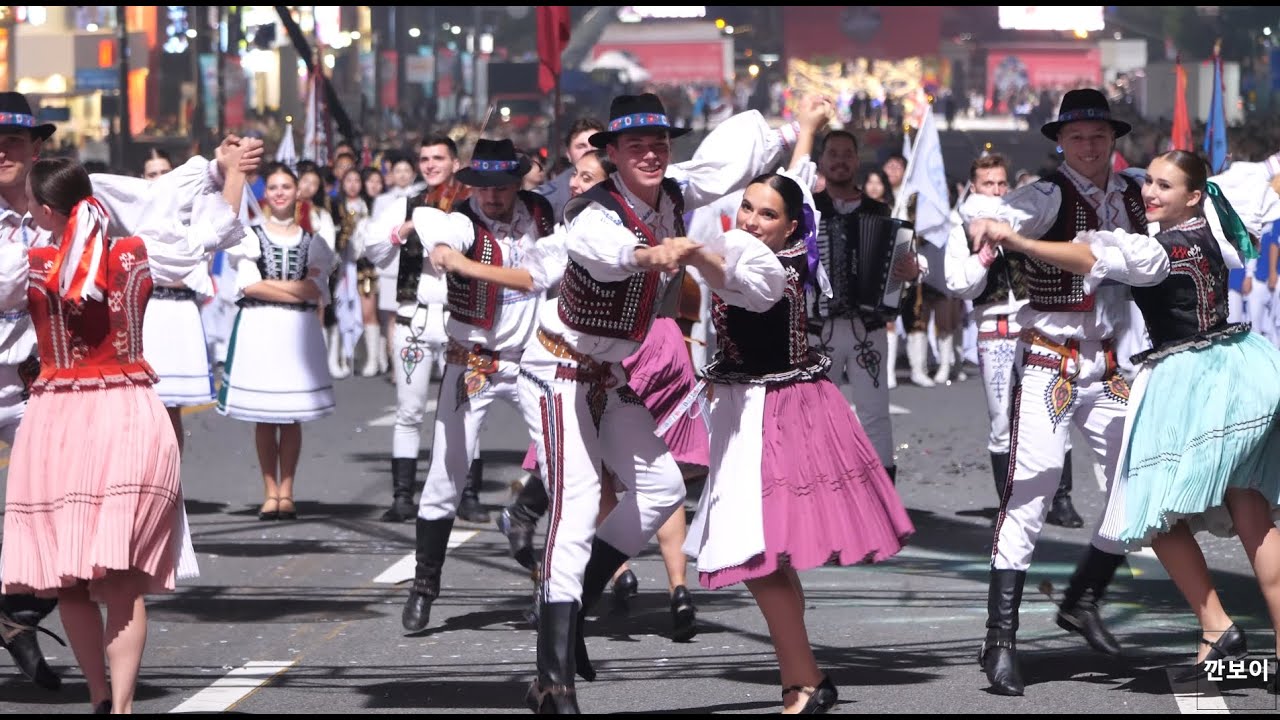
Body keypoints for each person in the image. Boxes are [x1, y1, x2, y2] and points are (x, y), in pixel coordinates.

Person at [519, 92, 822, 713]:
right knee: (576, 503)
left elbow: (730, 163)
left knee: (660, 489)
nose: (652, 154)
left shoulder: (676, 188)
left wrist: (800, 126)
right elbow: (600, 249)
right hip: (555, 366)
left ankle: (575, 609)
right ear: (612, 156)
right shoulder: (593, 210)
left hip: (609, 369)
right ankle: (551, 680)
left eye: (659, 143)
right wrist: (648, 254)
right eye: (636, 146)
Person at [979, 149, 1280, 686]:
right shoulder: (1213, 218)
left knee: (1149, 503)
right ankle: (1252, 642)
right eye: (1151, 182)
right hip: (1240, 367)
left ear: (1191, 195)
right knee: (1252, 517)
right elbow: (1261, 180)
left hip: (1186, 378)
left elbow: (1092, 256)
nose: (1150, 192)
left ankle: (1212, 625)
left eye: (1164, 185)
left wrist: (1021, 242)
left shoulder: (1153, 250)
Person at [0, 153, 240, 713]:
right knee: (123, 579)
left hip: (59, 418)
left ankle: (101, 696)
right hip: (129, 412)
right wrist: (227, 176)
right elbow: (215, 234)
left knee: (70, 581)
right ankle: (122, 706)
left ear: (42, 210)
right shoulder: (136, 254)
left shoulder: (28, 264)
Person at [684, 165, 913, 713]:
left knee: (751, 555)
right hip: (750, 406)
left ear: (791, 229)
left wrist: (686, 252)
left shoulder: (766, 267)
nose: (753, 221)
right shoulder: (753, 251)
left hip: (776, 413)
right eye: (748, 208)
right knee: (764, 557)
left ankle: (804, 682)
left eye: (768, 214)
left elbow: (731, 274)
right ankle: (803, 677)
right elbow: (788, 176)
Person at [964, 89, 1150, 696]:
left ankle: (1081, 598)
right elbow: (1004, 217)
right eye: (1078, 137)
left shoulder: (1134, 192)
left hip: (1113, 365)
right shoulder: (1045, 194)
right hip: (1050, 363)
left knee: (1140, 486)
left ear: (1113, 139)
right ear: (1060, 143)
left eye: (1099, 136)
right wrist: (988, 226)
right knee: (1032, 491)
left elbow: (1188, 197)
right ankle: (1000, 639)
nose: (1090, 146)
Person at [387, 139, 555, 634]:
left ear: (519, 182)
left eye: (504, 186)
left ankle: (531, 535)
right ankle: (425, 585)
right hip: (474, 361)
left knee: (562, 462)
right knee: (445, 473)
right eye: (485, 187)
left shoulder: (543, 212)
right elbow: (431, 220)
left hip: (532, 359)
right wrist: (440, 249)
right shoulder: (462, 218)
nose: (495, 196)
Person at [944, 152, 1081, 527]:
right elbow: (958, 283)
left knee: (1054, 407)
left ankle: (1062, 498)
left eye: (1002, 184)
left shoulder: (1025, 221)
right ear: (974, 186)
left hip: (1036, 325)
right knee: (1002, 417)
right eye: (988, 184)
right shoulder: (960, 230)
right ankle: (1010, 502)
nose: (996, 190)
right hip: (994, 329)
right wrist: (983, 258)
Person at [361, 135, 487, 524]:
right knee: (410, 410)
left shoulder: (472, 203)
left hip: (459, 321)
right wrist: (407, 228)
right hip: (412, 319)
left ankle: (468, 494)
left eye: (439, 158)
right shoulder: (407, 203)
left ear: (454, 162)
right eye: (425, 158)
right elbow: (373, 250)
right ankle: (403, 496)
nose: (431, 164)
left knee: (467, 410)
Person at [217, 162, 337, 521]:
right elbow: (248, 286)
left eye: (287, 186)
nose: (281, 192)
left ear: (298, 192)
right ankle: (270, 491)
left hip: (295, 332)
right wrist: (296, 291)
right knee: (265, 417)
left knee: (291, 416)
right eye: (274, 187)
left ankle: (288, 490)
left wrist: (281, 289)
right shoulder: (250, 236)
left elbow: (316, 290)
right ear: (265, 194)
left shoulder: (313, 241)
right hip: (261, 328)